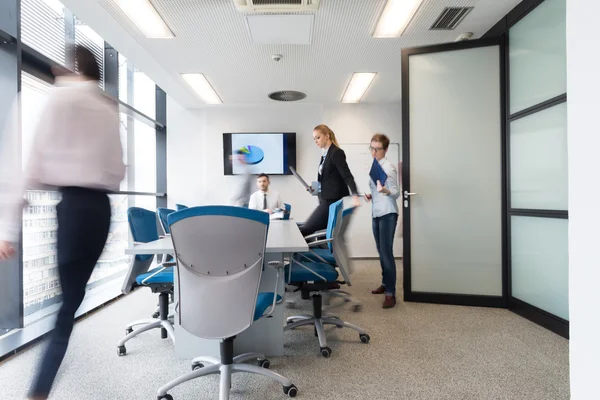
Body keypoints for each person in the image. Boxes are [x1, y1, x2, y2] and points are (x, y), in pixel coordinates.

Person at [0, 45, 125, 400]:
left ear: (69, 68)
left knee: (67, 306)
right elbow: (116, 169)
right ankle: (48, 371)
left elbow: (29, 166)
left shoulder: (57, 101)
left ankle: (39, 387)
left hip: (72, 208)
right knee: (71, 301)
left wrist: (7, 228)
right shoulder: (108, 108)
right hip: (100, 209)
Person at [299, 124, 360, 236]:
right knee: (309, 230)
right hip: (323, 199)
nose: (315, 141)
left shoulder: (336, 153)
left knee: (305, 230)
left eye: (318, 137)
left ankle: (298, 254)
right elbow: (327, 179)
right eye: (314, 139)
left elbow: (347, 176)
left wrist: (355, 195)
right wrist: (314, 189)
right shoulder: (324, 155)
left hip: (332, 201)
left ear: (327, 136)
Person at [364, 133, 400, 309]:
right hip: (376, 213)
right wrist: (372, 194)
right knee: (381, 251)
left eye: (377, 149)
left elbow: (396, 193)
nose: (374, 152)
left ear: (385, 150)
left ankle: (390, 294)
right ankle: (385, 284)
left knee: (386, 252)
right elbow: (377, 189)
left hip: (388, 213)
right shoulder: (375, 165)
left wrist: (385, 190)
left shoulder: (389, 167)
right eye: (372, 148)